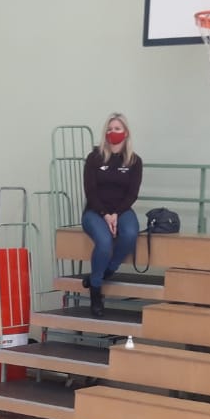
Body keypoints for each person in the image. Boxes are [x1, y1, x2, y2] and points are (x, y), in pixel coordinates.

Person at [81, 113, 143, 317]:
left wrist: (116, 213)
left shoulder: (134, 161)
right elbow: (90, 190)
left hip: (122, 210)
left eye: (117, 129)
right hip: (95, 211)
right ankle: (96, 290)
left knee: (130, 234)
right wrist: (105, 214)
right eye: (109, 129)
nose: (112, 132)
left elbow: (132, 193)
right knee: (105, 242)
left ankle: (108, 270)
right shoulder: (94, 157)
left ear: (125, 133)